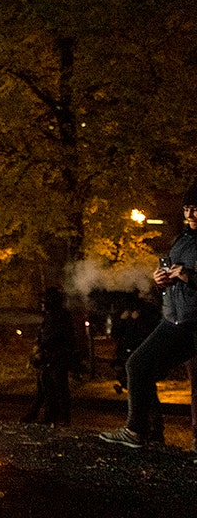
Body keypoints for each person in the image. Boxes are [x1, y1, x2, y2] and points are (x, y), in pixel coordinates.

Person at [101, 179, 197, 448]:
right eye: (188, 208)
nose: (191, 214)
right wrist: (161, 280)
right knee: (138, 365)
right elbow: (171, 276)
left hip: (193, 322)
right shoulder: (181, 240)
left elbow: (190, 277)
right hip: (175, 319)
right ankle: (136, 431)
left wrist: (190, 277)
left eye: (196, 209)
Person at [22, 287, 75, 427]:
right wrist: (38, 346)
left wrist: (44, 347)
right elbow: (43, 334)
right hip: (48, 356)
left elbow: (58, 336)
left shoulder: (61, 316)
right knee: (44, 387)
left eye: (45, 300)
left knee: (60, 388)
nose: (42, 303)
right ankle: (42, 414)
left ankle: (62, 417)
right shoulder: (49, 315)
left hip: (57, 356)